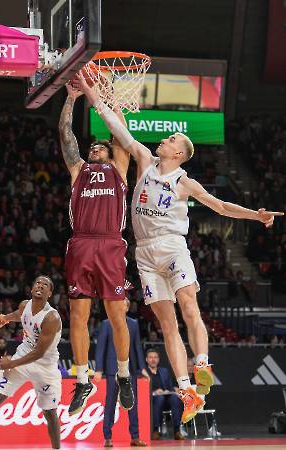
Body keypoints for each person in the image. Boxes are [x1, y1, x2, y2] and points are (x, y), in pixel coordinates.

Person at [73, 72, 284, 423]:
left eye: (171, 138)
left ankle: (201, 365)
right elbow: (113, 122)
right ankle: (188, 392)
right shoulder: (142, 159)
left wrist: (255, 215)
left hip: (172, 247)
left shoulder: (184, 181)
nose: (164, 139)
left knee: (189, 306)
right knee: (167, 325)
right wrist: (93, 94)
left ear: (179, 153)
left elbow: (220, 207)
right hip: (143, 253)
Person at [59, 83, 133, 416]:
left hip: (110, 244)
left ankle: (123, 374)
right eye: (92, 148)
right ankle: (83, 379)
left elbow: (121, 136)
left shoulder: (119, 167)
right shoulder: (79, 170)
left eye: (99, 148)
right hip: (81, 242)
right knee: (78, 315)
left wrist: (112, 102)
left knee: (117, 316)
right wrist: (71, 99)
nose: (94, 150)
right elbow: (66, 136)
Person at [0, 276, 62, 450]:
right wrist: (5, 318)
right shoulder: (24, 305)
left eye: (45, 285)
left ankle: (57, 448)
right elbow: (19, 314)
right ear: (31, 288)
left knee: (50, 413)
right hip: (23, 356)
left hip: (45, 366)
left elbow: (39, 352)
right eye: (38, 283)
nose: (40, 286)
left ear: (49, 293)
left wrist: (11, 363)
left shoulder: (52, 318)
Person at [94, 298, 148, 447]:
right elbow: (101, 348)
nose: (119, 305)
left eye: (122, 303)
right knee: (110, 403)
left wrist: (142, 368)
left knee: (133, 404)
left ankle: (135, 437)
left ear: (127, 307)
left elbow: (137, 347)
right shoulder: (106, 324)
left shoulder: (134, 323)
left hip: (130, 370)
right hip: (112, 369)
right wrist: (99, 369)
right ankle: (107, 437)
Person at [146, 348, 184, 440]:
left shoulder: (164, 371)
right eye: (150, 357)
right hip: (151, 401)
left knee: (175, 398)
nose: (153, 360)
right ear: (146, 359)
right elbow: (140, 390)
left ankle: (177, 431)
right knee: (160, 398)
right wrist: (153, 392)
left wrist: (168, 391)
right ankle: (155, 431)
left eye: (155, 357)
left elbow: (170, 387)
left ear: (158, 359)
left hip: (165, 399)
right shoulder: (143, 372)